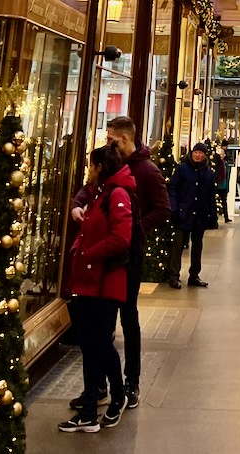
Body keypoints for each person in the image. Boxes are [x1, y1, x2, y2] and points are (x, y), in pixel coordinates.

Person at [71, 115, 170, 410]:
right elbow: (89, 188)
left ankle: (131, 382)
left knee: (127, 316)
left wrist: (132, 227)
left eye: (112, 139)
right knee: (100, 322)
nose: (108, 143)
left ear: (125, 139)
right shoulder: (109, 165)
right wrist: (77, 205)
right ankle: (98, 385)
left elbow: (164, 208)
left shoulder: (148, 172)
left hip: (128, 257)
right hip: (102, 258)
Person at [59, 143, 134, 433]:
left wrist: (89, 252)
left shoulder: (116, 195)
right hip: (90, 283)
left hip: (105, 284)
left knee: (100, 344)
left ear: (100, 167)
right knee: (90, 346)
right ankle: (89, 410)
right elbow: (88, 221)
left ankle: (118, 396)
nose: (88, 171)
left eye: (91, 165)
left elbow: (121, 238)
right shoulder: (100, 192)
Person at [168, 141, 218, 288]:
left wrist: (212, 214)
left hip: (199, 215)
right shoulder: (182, 169)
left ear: (204, 155)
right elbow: (173, 189)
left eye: (201, 153)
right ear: (192, 153)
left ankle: (194, 275)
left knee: (197, 246)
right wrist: (175, 209)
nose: (198, 155)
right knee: (178, 246)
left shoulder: (208, 173)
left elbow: (210, 196)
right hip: (183, 213)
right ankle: (174, 276)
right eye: (196, 152)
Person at [213, 144, 231, 223]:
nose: (221, 156)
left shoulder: (225, 164)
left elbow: (227, 176)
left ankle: (226, 217)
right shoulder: (215, 164)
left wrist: (227, 187)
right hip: (217, 185)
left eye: (222, 154)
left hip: (223, 185)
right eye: (220, 154)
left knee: (224, 202)